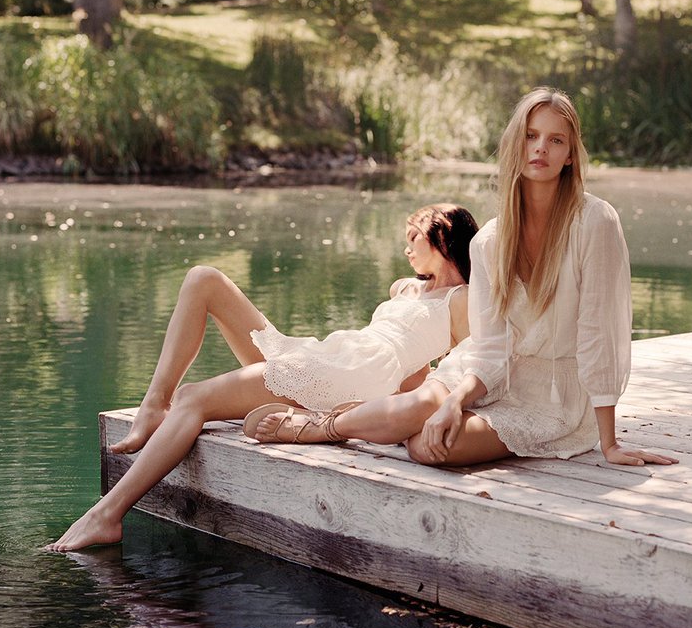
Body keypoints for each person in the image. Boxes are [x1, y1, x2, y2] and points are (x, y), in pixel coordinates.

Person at [248, 88, 677, 469]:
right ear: (514, 145)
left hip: (551, 397)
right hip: (482, 374)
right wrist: (454, 400)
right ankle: (321, 426)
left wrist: (609, 442)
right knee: (414, 412)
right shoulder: (489, 240)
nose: (540, 148)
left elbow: (600, 333)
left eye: (555, 140)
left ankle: (365, 420)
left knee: (430, 448)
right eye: (530, 136)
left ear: (570, 155)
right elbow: (489, 348)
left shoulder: (595, 222)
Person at [44, 203, 478, 552]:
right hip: (332, 357)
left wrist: (418, 408)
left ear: (442, 238)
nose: (406, 248)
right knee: (203, 279)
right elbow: (412, 371)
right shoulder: (405, 287)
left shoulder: (464, 301)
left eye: (414, 237)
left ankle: (107, 515)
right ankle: (154, 403)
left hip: (349, 375)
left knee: (194, 398)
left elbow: (466, 364)